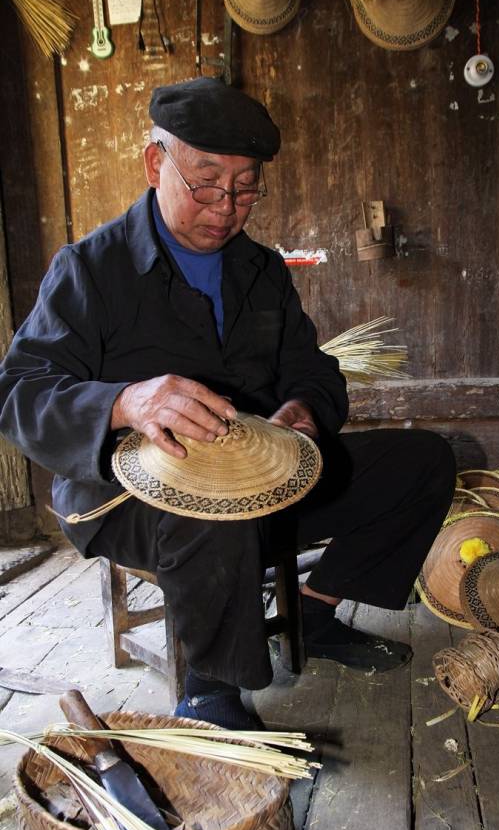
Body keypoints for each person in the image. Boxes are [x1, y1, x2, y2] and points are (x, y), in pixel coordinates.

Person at [0, 78, 455, 730]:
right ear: (157, 164)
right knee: (212, 501)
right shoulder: (91, 269)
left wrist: (303, 409)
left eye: (245, 189)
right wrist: (127, 402)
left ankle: (317, 611)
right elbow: (19, 391)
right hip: (129, 499)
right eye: (207, 184)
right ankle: (210, 691)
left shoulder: (261, 270)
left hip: (262, 481)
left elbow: (313, 369)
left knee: (423, 461)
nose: (226, 207)